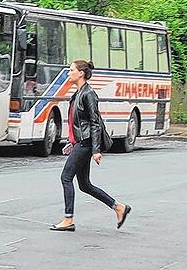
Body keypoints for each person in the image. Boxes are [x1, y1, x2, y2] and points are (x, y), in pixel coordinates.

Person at [50, 60, 131, 232]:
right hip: (80, 142)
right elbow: (78, 122)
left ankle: (68, 219)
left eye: (71, 70)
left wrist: (96, 150)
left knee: (66, 177)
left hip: (86, 143)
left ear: (80, 73)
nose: (68, 73)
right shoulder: (78, 93)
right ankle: (118, 207)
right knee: (85, 184)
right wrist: (71, 142)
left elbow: (95, 123)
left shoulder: (89, 94)